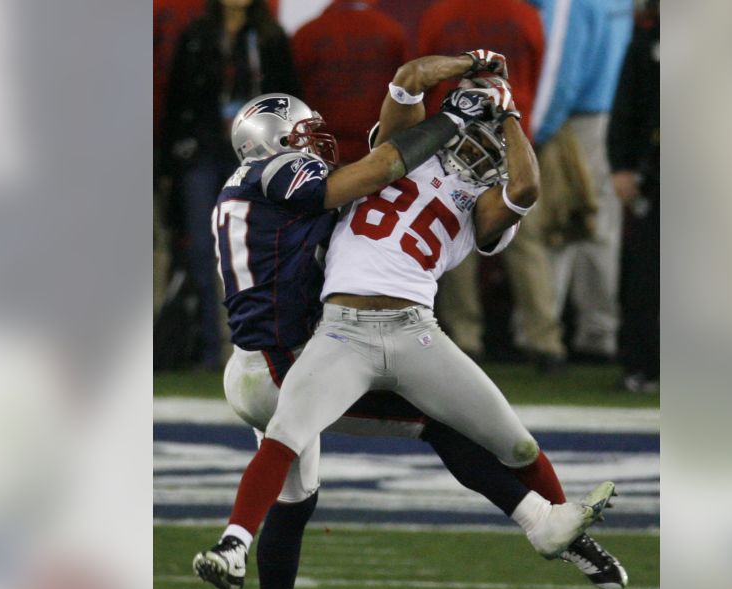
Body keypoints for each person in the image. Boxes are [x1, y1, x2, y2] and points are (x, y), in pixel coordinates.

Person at [195, 53, 628, 589]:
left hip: (352, 341)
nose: (478, 151)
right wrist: (466, 82)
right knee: (420, 428)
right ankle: (233, 546)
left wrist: (505, 115)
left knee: (318, 487)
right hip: (299, 351)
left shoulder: (471, 197)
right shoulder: (316, 168)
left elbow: (520, 191)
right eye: (306, 133)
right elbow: (401, 101)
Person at [417, 0, 568, 370]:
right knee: (526, 244)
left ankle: (465, 339)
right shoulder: (526, 16)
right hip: (510, 140)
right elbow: (540, 77)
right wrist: (528, 129)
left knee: (452, 240)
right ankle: (545, 341)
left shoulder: (441, 14)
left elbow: (424, 77)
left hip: (452, 145)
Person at [158, 0, 301, 370]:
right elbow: (177, 99)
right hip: (200, 153)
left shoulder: (270, 38)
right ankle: (212, 350)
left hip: (254, 154)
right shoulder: (196, 35)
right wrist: (170, 162)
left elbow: (288, 98)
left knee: (253, 251)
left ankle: (254, 347)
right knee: (204, 251)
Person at [526, 0, 635, 360]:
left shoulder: (569, 4)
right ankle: (599, 332)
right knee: (602, 230)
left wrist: (536, 132)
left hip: (574, 122)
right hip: (613, 116)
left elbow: (563, 71)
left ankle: (542, 331)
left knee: (554, 225)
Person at [608, 0, 660, 392]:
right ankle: (643, 364)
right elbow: (626, 104)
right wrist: (621, 165)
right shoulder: (648, 42)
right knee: (648, 270)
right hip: (658, 171)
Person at [291, 0, 409, 165]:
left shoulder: (306, 34)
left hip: (321, 151)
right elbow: (409, 91)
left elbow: (292, 95)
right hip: (380, 151)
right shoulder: (392, 31)